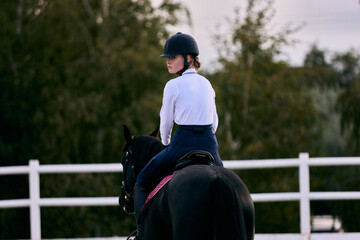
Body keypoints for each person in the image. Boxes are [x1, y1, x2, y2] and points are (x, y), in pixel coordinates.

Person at [133, 32, 223, 240]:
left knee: (141, 181)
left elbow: (165, 122)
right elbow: (215, 122)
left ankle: (143, 234)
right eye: (167, 58)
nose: (168, 62)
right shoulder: (207, 84)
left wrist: (165, 143)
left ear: (188, 58)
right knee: (227, 183)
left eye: (173, 57)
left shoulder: (172, 86)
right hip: (210, 145)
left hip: (182, 144)